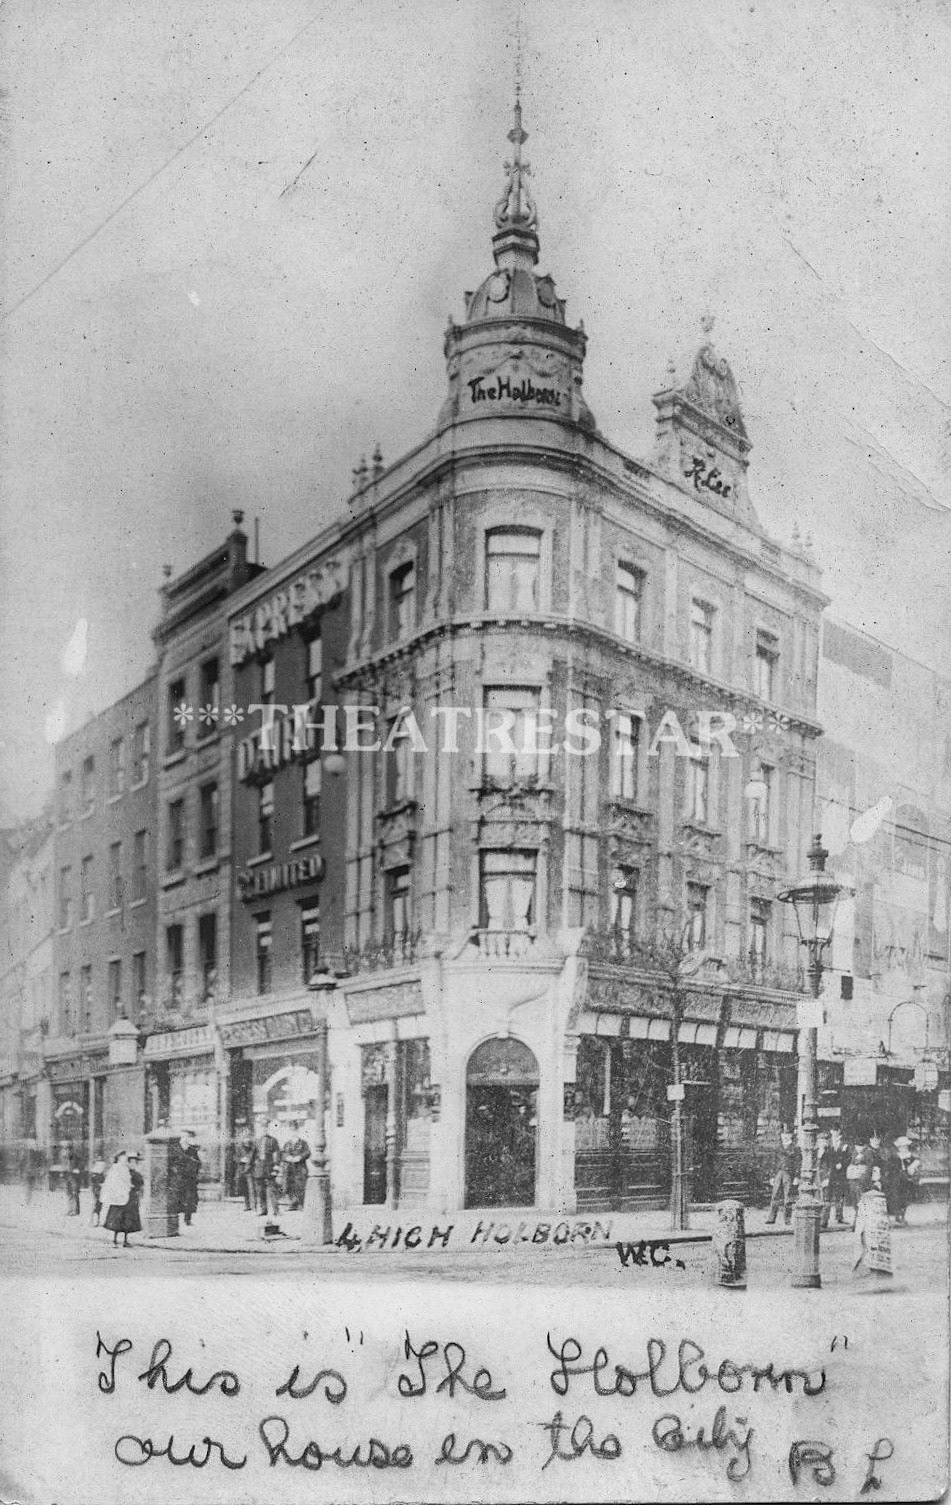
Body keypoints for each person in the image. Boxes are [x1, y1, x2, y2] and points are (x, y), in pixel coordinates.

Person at [101, 1151, 144, 1248]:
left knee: (128, 1220)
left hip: (131, 1199)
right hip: (119, 1198)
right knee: (117, 1219)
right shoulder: (120, 1170)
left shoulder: (134, 1173)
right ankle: (115, 1240)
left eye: (135, 1162)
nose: (133, 1164)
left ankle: (125, 1240)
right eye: (131, 1162)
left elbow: (140, 1183)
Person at [765, 1126, 800, 1225]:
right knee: (775, 1195)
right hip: (778, 1173)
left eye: (788, 1134)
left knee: (788, 1196)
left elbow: (798, 1163)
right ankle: (771, 1217)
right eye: (783, 1134)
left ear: (791, 1135)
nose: (785, 1136)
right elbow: (772, 1162)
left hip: (789, 1174)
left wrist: (797, 1176)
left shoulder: (795, 1148)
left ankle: (787, 1219)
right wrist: (772, 1176)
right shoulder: (777, 1148)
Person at [250, 1114, 282, 1217]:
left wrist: (276, 1168)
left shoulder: (273, 1141)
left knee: (272, 1190)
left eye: (265, 1127)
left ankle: (276, 1210)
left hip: (269, 1168)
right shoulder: (257, 1141)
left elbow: (277, 1154)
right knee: (260, 1191)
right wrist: (248, 1168)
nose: (264, 1129)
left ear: (268, 1128)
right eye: (262, 1127)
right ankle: (263, 1210)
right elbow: (252, 1155)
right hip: (259, 1169)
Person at [820, 1127, 851, 1228]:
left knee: (839, 1196)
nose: (833, 1133)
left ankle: (839, 1216)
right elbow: (823, 1160)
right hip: (829, 1173)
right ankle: (824, 1220)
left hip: (840, 1174)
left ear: (838, 1131)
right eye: (831, 1131)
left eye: (835, 1131)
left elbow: (849, 1158)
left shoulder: (845, 1144)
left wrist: (843, 1164)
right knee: (827, 1197)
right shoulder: (827, 1143)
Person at [173, 1129, 201, 1226]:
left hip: (190, 1179)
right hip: (178, 1179)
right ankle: (173, 1220)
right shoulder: (176, 1149)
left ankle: (187, 1219)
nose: (185, 1139)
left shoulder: (192, 1150)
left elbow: (198, 1163)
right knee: (177, 1199)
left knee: (190, 1199)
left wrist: (195, 1173)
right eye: (183, 1137)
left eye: (187, 1137)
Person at [890, 1135, 921, 1225]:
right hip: (897, 1179)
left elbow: (916, 1163)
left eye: (906, 1146)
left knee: (906, 1197)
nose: (904, 1148)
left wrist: (912, 1167)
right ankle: (897, 1215)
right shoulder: (894, 1156)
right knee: (897, 1197)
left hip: (907, 1179)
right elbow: (891, 1168)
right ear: (899, 1147)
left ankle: (902, 1215)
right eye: (902, 1146)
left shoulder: (909, 1155)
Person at [282, 1122, 311, 1210]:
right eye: (291, 1131)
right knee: (290, 1186)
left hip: (300, 1168)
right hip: (289, 1168)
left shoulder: (303, 1143)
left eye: (295, 1131)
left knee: (300, 1186)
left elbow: (307, 1152)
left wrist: (299, 1157)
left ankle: (301, 1204)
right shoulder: (287, 1143)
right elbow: (283, 1153)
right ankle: (292, 1204)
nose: (293, 1132)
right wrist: (288, 1157)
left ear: (298, 1131)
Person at [236, 1131, 255, 1211]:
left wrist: (251, 1161)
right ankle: (247, 1205)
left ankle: (254, 1205)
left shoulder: (253, 1148)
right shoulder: (239, 1148)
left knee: (252, 1188)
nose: (246, 1140)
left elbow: (256, 1157)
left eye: (248, 1138)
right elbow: (235, 1157)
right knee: (244, 1189)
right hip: (242, 1170)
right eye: (245, 1138)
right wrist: (241, 1159)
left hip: (251, 1170)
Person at [63, 1141, 81, 1217]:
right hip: (68, 1175)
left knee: (74, 1193)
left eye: (68, 1148)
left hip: (74, 1176)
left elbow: (78, 1166)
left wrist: (76, 1169)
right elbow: (65, 1166)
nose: (67, 1151)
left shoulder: (75, 1156)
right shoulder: (66, 1157)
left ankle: (75, 1210)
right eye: (66, 1148)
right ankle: (70, 1209)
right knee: (69, 1193)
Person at [89, 1156, 107, 1226]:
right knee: (95, 1206)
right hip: (97, 1192)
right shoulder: (96, 1175)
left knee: (99, 1207)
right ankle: (93, 1221)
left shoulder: (100, 1175)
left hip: (100, 1192)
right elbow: (95, 1183)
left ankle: (97, 1221)